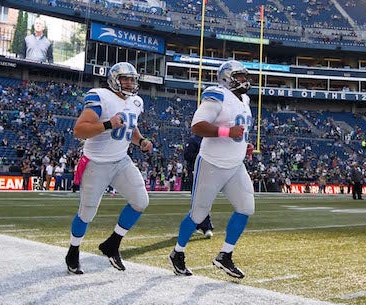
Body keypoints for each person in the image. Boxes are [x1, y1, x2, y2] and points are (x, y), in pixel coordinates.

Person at [64, 62, 153, 275]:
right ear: (114, 80)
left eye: (133, 79)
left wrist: (140, 141)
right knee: (87, 213)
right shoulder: (100, 96)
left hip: (121, 160)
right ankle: (73, 250)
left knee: (141, 201)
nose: (130, 83)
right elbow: (79, 130)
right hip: (96, 163)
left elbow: (130, 127)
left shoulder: (136, 101)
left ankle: (112, 243)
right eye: (125, 79)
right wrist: (107, 125)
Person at [168, 60, 254, 279]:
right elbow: (197, 126)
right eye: (239, 76)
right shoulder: (217, 94)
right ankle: (178, 252)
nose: (244, 80)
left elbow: (238, 130)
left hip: (235, 165)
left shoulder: (244, 99)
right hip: (212, 164)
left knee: (246, 208)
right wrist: (227, 132)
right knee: (198, 214)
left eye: (244, 76)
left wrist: (245, 144)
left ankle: (225, 254)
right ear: (226, 78)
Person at [183, 134, 214, 238]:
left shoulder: (208, 140)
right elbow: (187, 155)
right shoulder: (193, 140)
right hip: (195, 171)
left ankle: (192, 225)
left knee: (203, 199)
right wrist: (201, 156)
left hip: (206, 172)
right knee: (200, 199)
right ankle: (206, 227)